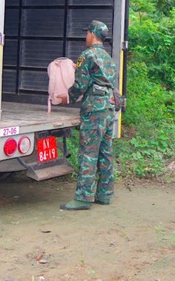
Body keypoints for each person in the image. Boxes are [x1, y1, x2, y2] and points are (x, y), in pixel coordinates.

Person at [57, 20, 118, 210]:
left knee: (88, 153)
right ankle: (104, 194)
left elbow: (80, 85)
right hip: (109, 108)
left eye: (87, 33)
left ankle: (83, 198)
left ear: (92, 34)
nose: (86, 37)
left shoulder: (87, 55)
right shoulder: (108, 57)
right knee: (105, 152)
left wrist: (67, 97)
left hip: (94, 110)